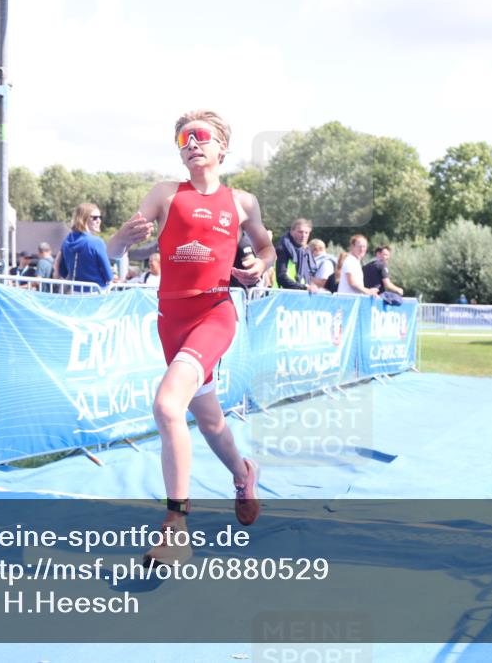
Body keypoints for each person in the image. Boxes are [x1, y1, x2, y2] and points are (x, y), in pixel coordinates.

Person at [107, 109, 276, 566]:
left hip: (215, 312)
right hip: (171, 317)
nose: (191, 144)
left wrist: (260, 264)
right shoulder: (165, 193)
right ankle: (244, 474)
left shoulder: (243, 202)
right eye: (183, 138)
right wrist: (120, 239)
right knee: (209, 419)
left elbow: (266, 247)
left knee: (167, 406)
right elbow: (114, 250)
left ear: (223, 147)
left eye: (201, 137)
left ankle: (176, 526)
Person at [58, 203, 114, 290]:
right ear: (83, 219)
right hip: (96, 294)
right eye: (95, 218)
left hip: (75, 294)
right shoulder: (96, 242)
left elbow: (62, 271)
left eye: (100, 217)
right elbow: (109, 276)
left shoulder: (66, 242)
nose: (99, 221)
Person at [275, 218, 317, 291]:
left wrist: (311, 287)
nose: (303, 235)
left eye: (306, 233)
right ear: (292, 232)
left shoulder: (306, 251)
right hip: (282, 295)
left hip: (299, 295)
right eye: (300, 232)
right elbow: (281, 277)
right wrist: (303, 287)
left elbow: (309, 276)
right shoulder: (283, 249)